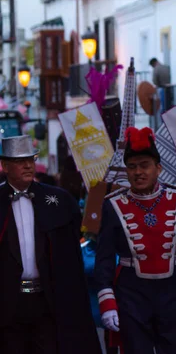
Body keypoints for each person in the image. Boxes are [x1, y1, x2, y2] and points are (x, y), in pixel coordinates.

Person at [94, 126, 176, 354]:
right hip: (131, 293)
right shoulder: (112, 205)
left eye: (144, 165)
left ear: (158, 168)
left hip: (172, 289)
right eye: (132, 166)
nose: (138, 172)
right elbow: (104, 259)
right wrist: (107, 302)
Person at [0, 135, 102, 354]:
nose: (28, 165)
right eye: (20, 161)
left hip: (47, 301)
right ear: (5, 166)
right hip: (8, 304)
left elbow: (71, 247)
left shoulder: (59, 200)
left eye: (30, 159)